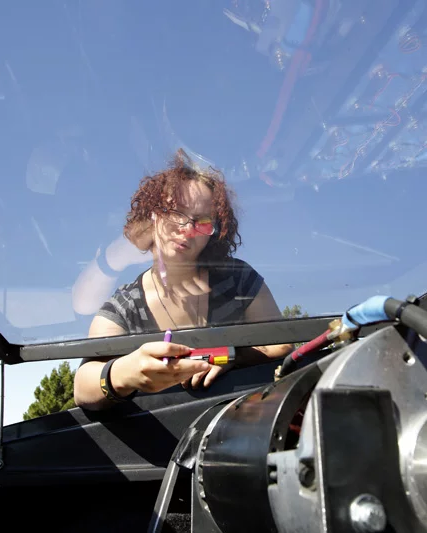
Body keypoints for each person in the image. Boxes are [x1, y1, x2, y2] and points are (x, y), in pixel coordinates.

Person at [74, 150, 293, 410]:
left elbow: (281, 345)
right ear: (152, 216)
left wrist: (229, 358)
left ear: (214, 233)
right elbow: (83, 387)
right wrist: (124, 372)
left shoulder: (238, 280)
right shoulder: (126, 305)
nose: (187, 229)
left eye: (202, 221)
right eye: (175, 212)